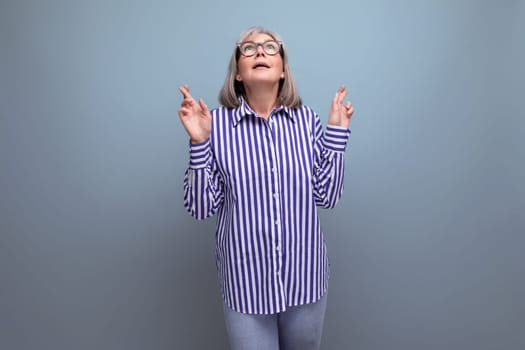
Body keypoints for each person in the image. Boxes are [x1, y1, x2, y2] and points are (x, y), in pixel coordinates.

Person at [178, 26, 354, 350]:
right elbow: (201, 207)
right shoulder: (214, 125)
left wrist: (337, 135)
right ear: (238, 74)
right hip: (246, 285)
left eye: (271, 47)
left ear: (283, 69)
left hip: (306, 279)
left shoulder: (307, 122)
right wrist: (199, 141)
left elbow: (326, 196)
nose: (260, 51)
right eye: (249, 49)